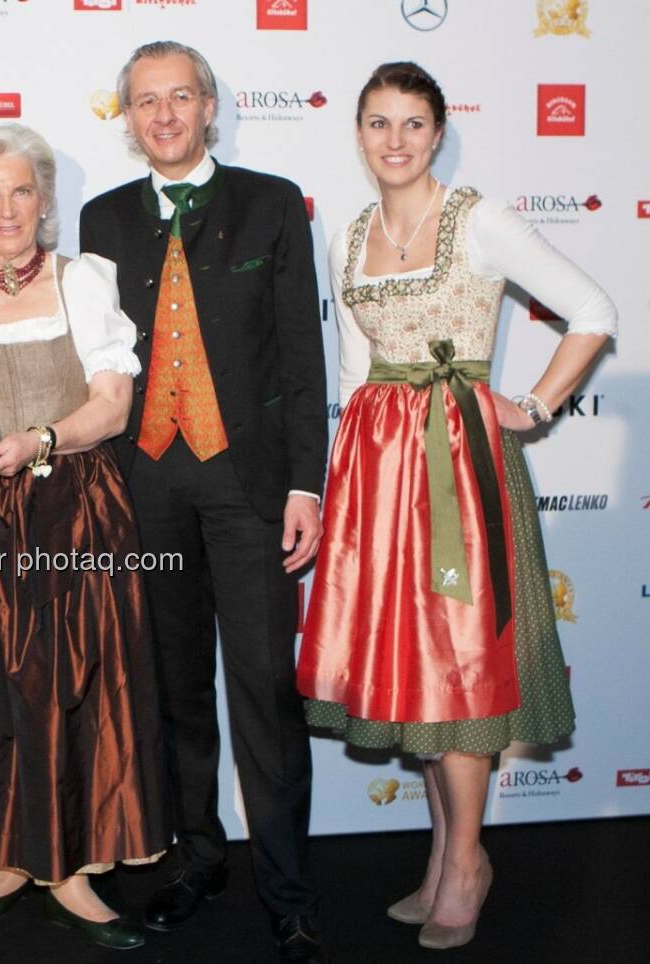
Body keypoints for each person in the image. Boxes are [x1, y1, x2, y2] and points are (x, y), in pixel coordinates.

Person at [296, 61, 616, 952]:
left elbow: (593, 309)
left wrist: (536, 404)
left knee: (461, 666)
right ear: (358, 133)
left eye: (411, 124)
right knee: (413, 675)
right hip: (378, 472)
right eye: (377, 123)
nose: (394, 140)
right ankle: (443, 857)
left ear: (438, 133)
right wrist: (342, 488)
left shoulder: (478, 221)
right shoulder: (349, 234)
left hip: (459, 471)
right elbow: (355, 374)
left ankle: (470, 862)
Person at [78, 40, 327, 964]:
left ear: (211, 105)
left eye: (181, 97)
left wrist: (307, 482)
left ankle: (288, 888)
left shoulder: (272, 203)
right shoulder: (100, 220)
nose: (166, 116)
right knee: (175, 691)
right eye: (146, 101)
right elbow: (96, 366)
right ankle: (197, 857)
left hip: (251, 488)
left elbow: (304, 356)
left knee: (264, 689)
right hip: (148, 490)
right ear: (129, 117)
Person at [0, 123, 166, 952]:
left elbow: (113, 407)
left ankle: (75, 869)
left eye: (22, 190)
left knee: (77, 683)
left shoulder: (83, 280)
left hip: (76, 507)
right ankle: (15, 857)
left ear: (45, 201)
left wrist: (40, 442)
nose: (8, 208)